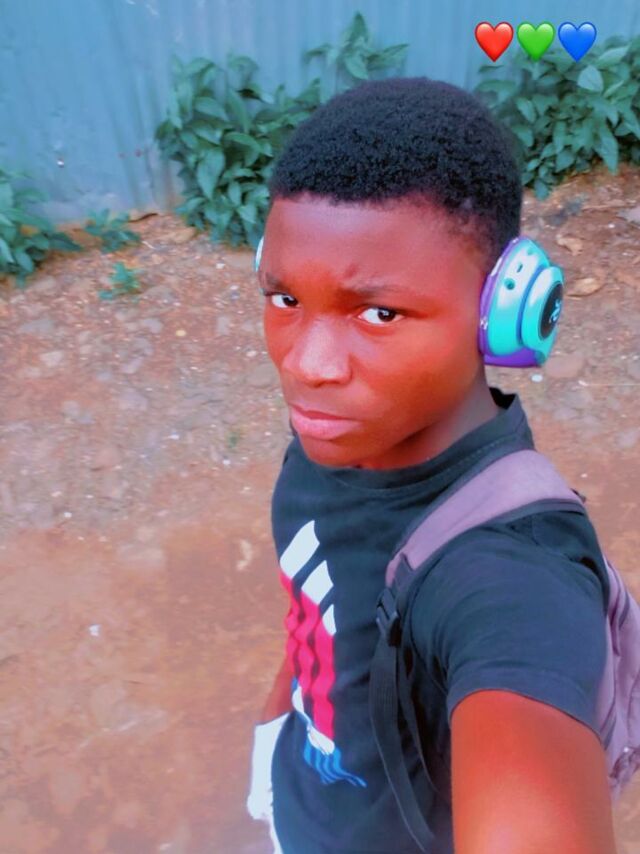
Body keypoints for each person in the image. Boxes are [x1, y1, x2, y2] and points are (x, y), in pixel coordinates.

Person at [246, 77, 617, 853]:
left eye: (379, 313)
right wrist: (276, 727)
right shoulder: (343, 429)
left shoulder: (514, 578)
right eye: (285, 299)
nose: (306, 364)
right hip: (298, 801)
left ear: (504, 312)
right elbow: (319, 608)